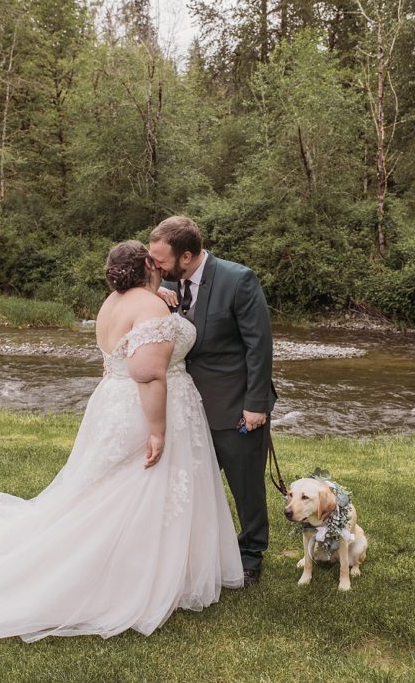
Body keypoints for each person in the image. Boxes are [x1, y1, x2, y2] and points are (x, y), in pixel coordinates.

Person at [0, 241, 243, 642]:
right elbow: (148, 373)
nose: (162, 264)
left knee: (107, 486)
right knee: (140, 486)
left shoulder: (114, 301)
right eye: (155, 258)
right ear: (148, 264)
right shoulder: (147, 307)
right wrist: (158, 430)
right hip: (146, 406)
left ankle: (159, 565)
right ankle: (132, 574)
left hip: (113, 400)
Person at [148, 215, 277, 587]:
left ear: (186, 256)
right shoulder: (166, 281)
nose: (155, 266)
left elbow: (259, 346)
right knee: (191, 484)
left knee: (245, 485)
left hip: (236, 405)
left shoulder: (239, 280)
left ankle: (251, 554)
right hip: (186, 405)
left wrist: (256, 405)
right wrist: (154, 291)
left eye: (160, 261)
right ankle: (199, 551)